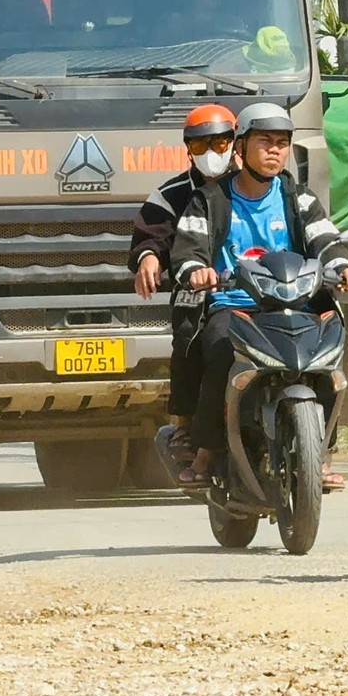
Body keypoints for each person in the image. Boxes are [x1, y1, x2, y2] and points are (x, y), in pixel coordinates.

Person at [168, 103, 348, 489]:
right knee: (220, 352)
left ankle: (320, 454)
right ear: (240, 147)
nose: (275, 150)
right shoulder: (209, 200)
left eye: (282, 143)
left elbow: (324, 240)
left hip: (296, 305)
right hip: (236, 308)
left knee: (328, 359)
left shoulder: (299, 198)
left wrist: (343, 268)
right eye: (265, 142)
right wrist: (197, 272)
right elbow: (187, 250)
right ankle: (207, 451)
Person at [128, 104, 238, 462]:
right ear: (187, 148)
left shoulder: (259, 186)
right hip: (201, 290)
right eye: (200, 145)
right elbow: (151, 234)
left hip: (260, 291)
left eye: (220, 144)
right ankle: (186, 425)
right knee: (189, 336)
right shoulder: (171, 193)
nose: (211, 153)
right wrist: (148, 257)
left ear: (236, 143)